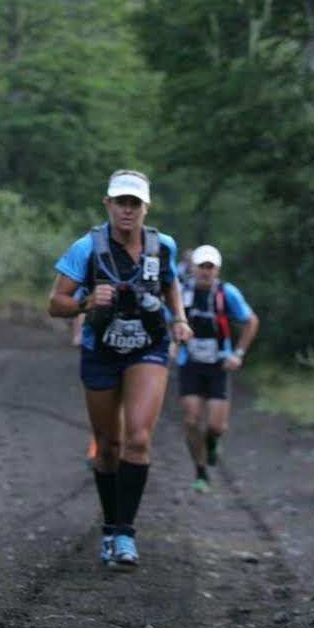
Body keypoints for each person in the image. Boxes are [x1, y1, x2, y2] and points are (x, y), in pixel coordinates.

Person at [48, 170, 193, 569]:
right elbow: (54, 303)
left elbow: (170, 284)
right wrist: (86, 301)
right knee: (107, 445)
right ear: (107, 204)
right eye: (120, 202)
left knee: (139, 439)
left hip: (148, 346)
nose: (127, 209)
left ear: (146, 207)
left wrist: (178, 318)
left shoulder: (162, 245)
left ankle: (126, 534)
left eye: (135, 203)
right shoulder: (85, 248)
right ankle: (110, 528)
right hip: (101, 350)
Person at [175, 244, 259, 492]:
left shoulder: (226, 293)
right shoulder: (181, 292)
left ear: (217, 269)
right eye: (201, 266)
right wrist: (171, 341)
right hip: (189, 362)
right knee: (191, 420)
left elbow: (250, 320)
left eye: (210, 267)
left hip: (217, 364)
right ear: (193, 268)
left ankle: (212, 443)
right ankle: (200, 472)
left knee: (216, 426)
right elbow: (166, 318)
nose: (205, 271)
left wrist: (238, 354)